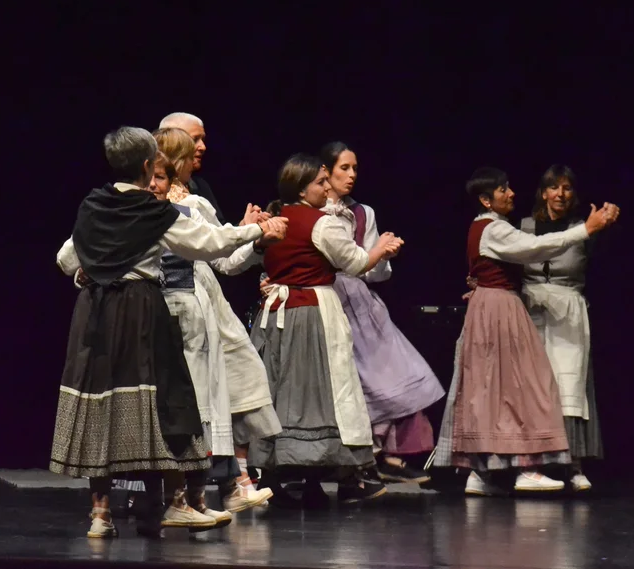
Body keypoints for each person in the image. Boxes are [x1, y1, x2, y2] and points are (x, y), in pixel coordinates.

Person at [51, 127, 286, 538]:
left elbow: (66, 259)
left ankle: (101, 515)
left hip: (95, 314)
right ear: (147, 166)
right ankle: (177, 502)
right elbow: (208, 243)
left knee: (101, 404)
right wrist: (256, 231)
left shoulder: (94, 205)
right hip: (138, 312)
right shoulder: (152, 212)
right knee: (163, 405)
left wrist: (95, 271)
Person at [430, 167, 617, 496]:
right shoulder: (495, 228)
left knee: (490, 391)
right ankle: (526, 468)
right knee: (526, 387)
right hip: (501, 309)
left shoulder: (483, 226)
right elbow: (537, 247)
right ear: (486, 199)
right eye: (503, 189)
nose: (511, 193)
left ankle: (480, 473)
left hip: (491, 305)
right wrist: (586, 229)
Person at [249, 154, 403, 504]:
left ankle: (279, 475)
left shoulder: (275, 220)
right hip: (312, 312)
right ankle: (320, 477)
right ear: (302, 189)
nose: (328, 188)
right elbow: (356, 263)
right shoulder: (322, 223)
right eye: (321, 183)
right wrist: (380, 249)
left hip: (276, 313)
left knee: (282, 390)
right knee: (319, 392)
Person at [150, 130, 280, 513]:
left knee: (221, 393)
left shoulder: (195, 203)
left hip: (202, 298)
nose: (201, 151)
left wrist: (253, 239)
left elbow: (222, 257)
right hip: (166, 300)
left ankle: (222, 485)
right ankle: (191, 491)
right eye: (193, 146)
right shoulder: (150, 206)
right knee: (182, 397)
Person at [318, 142, 445, 484]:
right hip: (326, 296)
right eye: (344, 168)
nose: (352, 175)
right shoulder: (314, 211)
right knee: (346, 380)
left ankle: (386, 453)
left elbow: (374, 272)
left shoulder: (363, 213)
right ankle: (349, 458)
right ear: (325, 171)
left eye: (355, 168)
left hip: (360, 300)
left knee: (393, 372)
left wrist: (383, 256)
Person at [519, 165, 614, 491]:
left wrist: (605, 228)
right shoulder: (525, 227)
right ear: (543, 192)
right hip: (532, 310)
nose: (560, 194)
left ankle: (573, 465)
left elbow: (601, 263)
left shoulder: (583, 228)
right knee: (533, 388)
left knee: (570, 388)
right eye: (554, 187)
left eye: (567, 188)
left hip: (568, 311)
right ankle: (532, 464)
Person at [159, 112, 225, 224]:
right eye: (194, 140)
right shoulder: (150, 189)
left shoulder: (201, 186)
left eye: (203, 139)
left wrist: (243, 226)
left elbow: (219, 229)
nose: (203, 147)